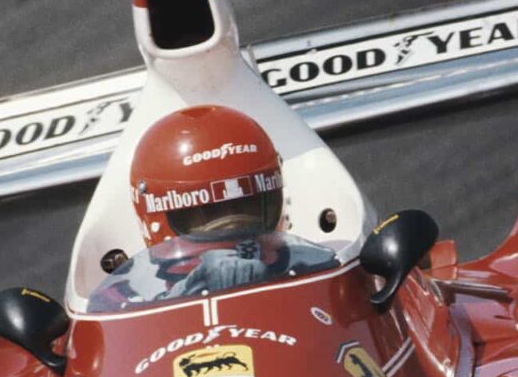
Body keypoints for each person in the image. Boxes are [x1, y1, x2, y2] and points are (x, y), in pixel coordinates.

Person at [87, 105, 338, 310]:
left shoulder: (320, 267)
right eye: (206, 217)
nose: (230, 231)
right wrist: (185, 291)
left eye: (246, 207)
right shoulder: (122, 298)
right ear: (156, 214)